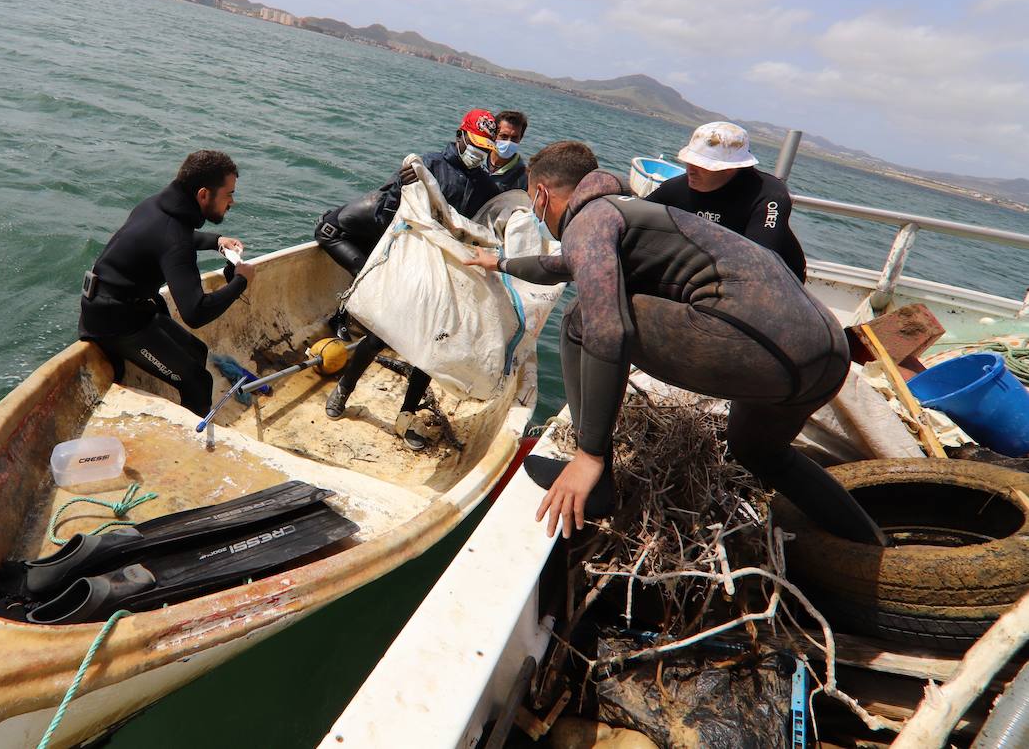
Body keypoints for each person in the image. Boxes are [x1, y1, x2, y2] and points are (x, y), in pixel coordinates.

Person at [465, 141, 883, 545]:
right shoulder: (630, 209)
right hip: (826, 354)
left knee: (582, 319)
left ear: (540, 193)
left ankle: (595, 480)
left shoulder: (587, 220)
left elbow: (608, 330)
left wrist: (589, 454)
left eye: (535, 205)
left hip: (762, 349)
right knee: (761, 453)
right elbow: (563, 265)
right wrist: (499, 261)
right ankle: (872, 543)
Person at [314, 108, 502, 448]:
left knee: (433, 348)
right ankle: (344, 390)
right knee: (379, 333)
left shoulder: (487, 186)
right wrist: (402, 190)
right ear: (460, 136)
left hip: (451, 275)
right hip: (413, 265)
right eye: (474, 144)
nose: (478, 153)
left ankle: (406, 414)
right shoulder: (427, 165)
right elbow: (388, 210)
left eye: (485, 148)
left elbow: (484, 230)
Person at [78, 150, 254, 417]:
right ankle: (191, 444)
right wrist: (241, 280)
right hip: (112, 321)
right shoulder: (174, 238)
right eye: (228, 194)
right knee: (198, 382)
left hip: (121, 304)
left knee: (198, 350)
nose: (232, 202)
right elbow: (195, 312)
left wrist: (216, 241)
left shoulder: (156, 206)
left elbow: (173, 238)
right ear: (204, 194)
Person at [647, 121, 807, 281]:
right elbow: (634, 216)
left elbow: (758, 262)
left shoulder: (769, 194)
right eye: (690, 161)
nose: (691, 170)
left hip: (777, 281)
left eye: (701, 164)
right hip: (703, 270)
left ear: (730, 168)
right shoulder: (675, 188)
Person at [487, 110, 529, 193]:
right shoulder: (478, 159)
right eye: (504, 136)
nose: (508, 142)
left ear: (520, 138)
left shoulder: (523, 178)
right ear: (494, 135)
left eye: (514, 138)